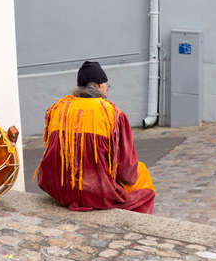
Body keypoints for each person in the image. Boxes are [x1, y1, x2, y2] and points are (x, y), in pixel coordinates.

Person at [33, 61, 155, 214]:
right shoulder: (112, 114)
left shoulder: (58, 108)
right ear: (99, 86)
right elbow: (126, 169)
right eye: (106, 86)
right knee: (143, 178)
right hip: (96, 192)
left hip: (58, 188)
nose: (106, 90)